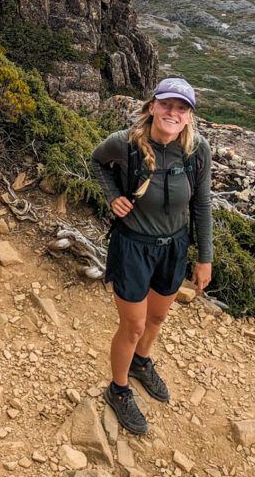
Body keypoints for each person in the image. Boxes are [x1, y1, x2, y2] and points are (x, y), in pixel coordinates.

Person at [90, 77, 213, 435]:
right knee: (134, 325)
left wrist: (205, 257)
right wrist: (112, 195)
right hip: (132, 247)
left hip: (174, 247)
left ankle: (141, 363)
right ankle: (118, 388)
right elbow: (98, 162)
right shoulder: (124, 143)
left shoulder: (196, 151)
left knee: (157, 318)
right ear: (152, 106)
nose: (173, 112)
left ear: (189, 116)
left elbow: (202, 204)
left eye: (182, 108)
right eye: (166, 104)